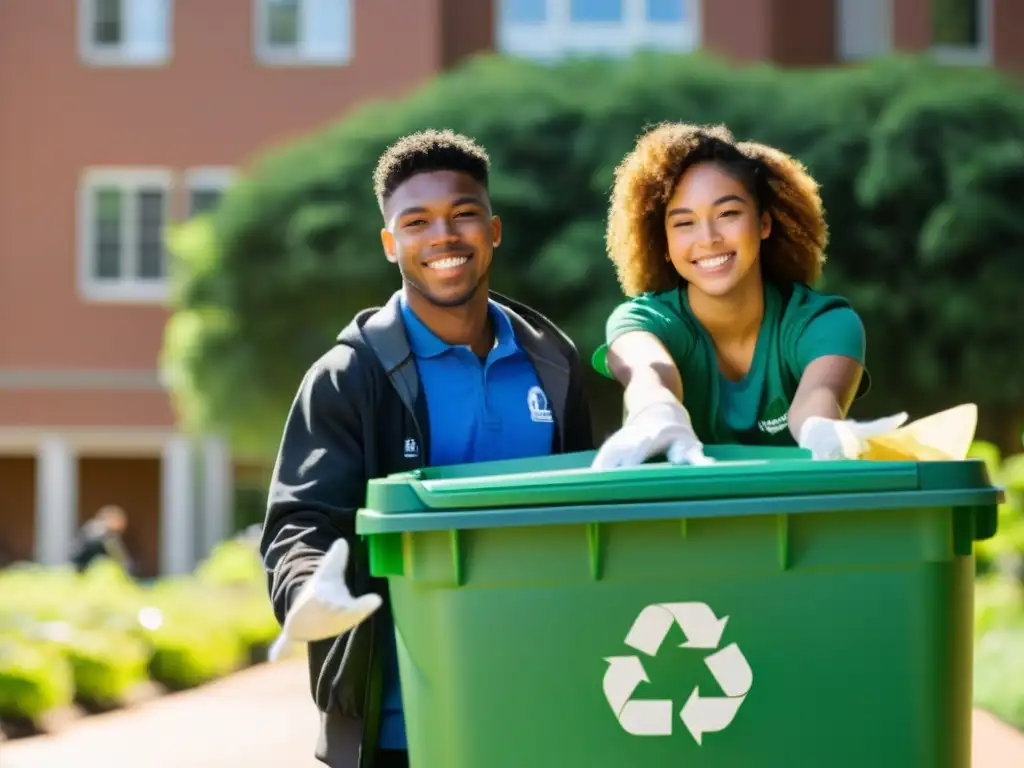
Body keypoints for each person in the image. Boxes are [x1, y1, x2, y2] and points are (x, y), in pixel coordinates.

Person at [260, 129, 594, 768]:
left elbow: (579, 519)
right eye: (416, 222)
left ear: (493, 230)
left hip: (539, 709)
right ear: (391, 244)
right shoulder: (348, 375)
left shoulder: (554, 364)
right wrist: (307, 590)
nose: (443, 236)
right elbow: (300, 522)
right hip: (397, 729)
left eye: (463, 214)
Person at [590, 122, 905, 469]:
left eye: (728, 214)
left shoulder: (823, 323)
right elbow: (648, 369)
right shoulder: (641, 322)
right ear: (663, 242)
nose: (708, 238)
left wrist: (824, 431)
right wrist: (657, 411)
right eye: (684, 223)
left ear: (764, 224)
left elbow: (819, 397)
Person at [69, 504, 134, 574]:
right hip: (84, 564)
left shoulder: (96, 528)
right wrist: (125, 565)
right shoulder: (101, 530)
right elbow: (115, 551)